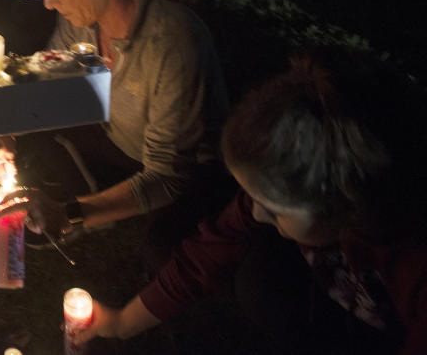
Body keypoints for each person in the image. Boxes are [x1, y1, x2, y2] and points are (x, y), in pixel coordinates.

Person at [69, 54, 427, 355]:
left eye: (274, 208)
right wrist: (121, 322)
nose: (255, 213)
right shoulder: (294, 195)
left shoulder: (410, 261)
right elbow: (203, 259)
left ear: (340, 203)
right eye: (251, 197)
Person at [0, 0, 230, 262]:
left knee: (163, 247)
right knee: (29, 129)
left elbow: (169, 173)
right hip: (117, 136)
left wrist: (71, 214)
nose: (49, 2)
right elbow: (44, 83)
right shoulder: (82, 20)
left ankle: (88, 201)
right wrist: (3, 134)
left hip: (187, 173)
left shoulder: (173, 41)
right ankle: (88, 192)